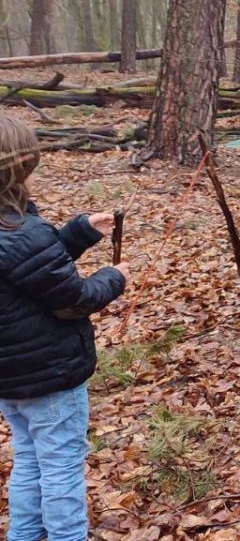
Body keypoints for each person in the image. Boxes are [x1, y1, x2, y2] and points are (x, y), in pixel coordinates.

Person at [0, 113, 130, 541]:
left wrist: (79, 232)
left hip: (12, 379)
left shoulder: (15, 228)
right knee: (59, 467)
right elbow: (72, 299)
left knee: (31, 461)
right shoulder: (20, 232)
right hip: (49, 377)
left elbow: (32, 271)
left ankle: (24, 535)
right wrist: (115, 277)